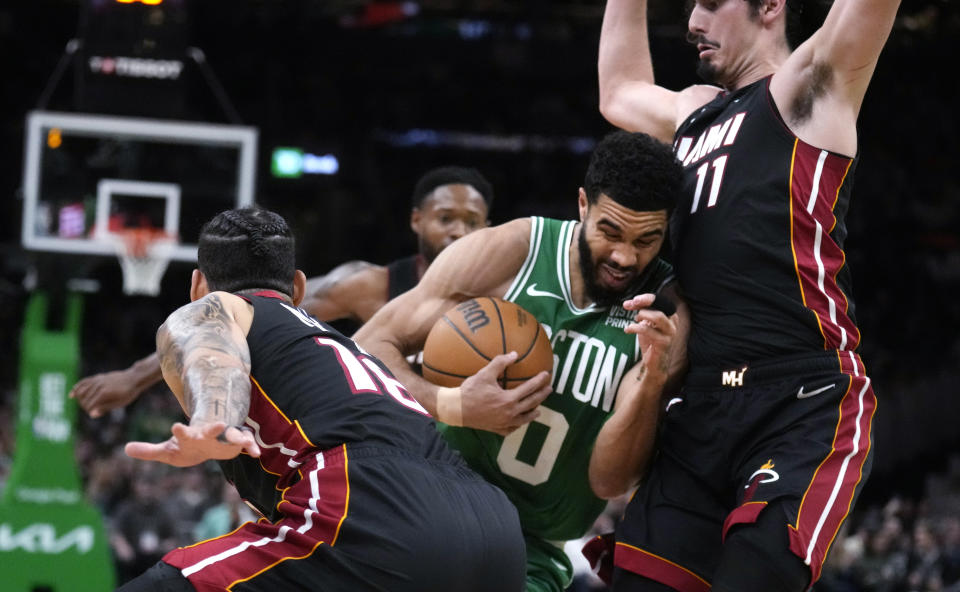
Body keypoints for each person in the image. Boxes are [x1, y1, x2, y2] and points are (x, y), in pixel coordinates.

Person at [593, 0, 912, 589]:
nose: (692, 20)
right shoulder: (694, 113)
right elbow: (618, 91)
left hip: (800, 397)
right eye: (691, 3)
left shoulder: (807, 87)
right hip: (699, 404)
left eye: (711, 1)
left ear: (771, 5)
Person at [118, 206, 525, 592]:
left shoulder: (221, 306)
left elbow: (211, 349)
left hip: (369, 502)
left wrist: (214, 419)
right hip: (493, 527)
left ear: (197, 286)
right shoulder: (341, 346)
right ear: (297, 287)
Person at [354, 130, 685, 592]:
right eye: (610, 232)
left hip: (531, 553)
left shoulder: (665, 314)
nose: (624, 256)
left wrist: (653, 380)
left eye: (646, 240)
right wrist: (454, 405)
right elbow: (368, 345)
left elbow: (610, 481)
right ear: (583, 204)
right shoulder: (515, 251)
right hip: (426, 508)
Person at [71, 165, 493, 417]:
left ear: (489, 230)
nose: (459, 231)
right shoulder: (369, 285)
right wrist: (133, 378)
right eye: (446, 217)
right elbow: (236, 313)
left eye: (472, 221)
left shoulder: (501, 303)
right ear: (417, 220)